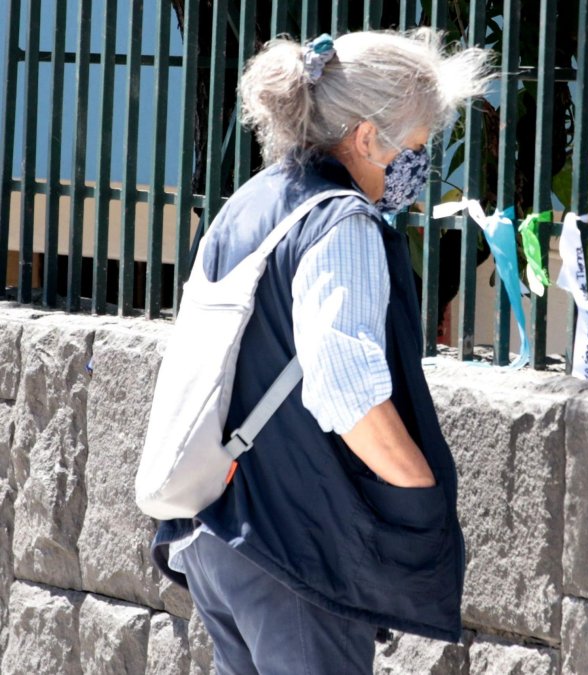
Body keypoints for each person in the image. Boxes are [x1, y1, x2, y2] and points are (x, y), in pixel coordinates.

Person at [150, 29, 491, 674]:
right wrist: (422, 493)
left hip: (219, 529)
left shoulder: (250, 202)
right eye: (415, 148)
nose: (419, 166)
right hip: (297, 553)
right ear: (367, 138)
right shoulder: (342, 225)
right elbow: (346, 389)